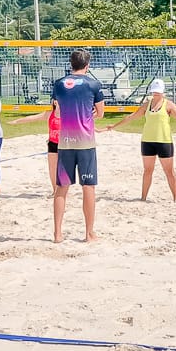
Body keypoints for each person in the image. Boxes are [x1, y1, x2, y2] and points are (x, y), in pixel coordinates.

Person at [106, 78, 176, 202]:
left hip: (164, 141)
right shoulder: (147, 104)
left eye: (158, 91)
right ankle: (143, 198)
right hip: (147, 141)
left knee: (169, 171)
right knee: (147, 171)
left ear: (163, 91)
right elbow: (132, 117)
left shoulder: (168, 105)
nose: (156, 93)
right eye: (154, 91)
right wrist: (114, 126)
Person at [51, 49, 104, 243]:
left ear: (71, 64)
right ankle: (89, 234)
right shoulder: (93, 84)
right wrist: (88, 114)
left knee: (61, 188)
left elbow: (57, 112)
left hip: (65, 142)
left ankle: (57, 234)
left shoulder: (59, 84)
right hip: (85, 143)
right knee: (88, 187)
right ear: (87, 66)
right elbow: (101, 113)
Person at [8, 100, 60, 196]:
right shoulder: (49, 114)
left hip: (65, 145)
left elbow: (78, 125)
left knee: (63, 169)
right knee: (52, 169)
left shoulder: (68, 115)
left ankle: (62, 191)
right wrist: (17, 121)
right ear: (55, 102)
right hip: (52, 143)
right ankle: (55, 190)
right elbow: (33, 118)